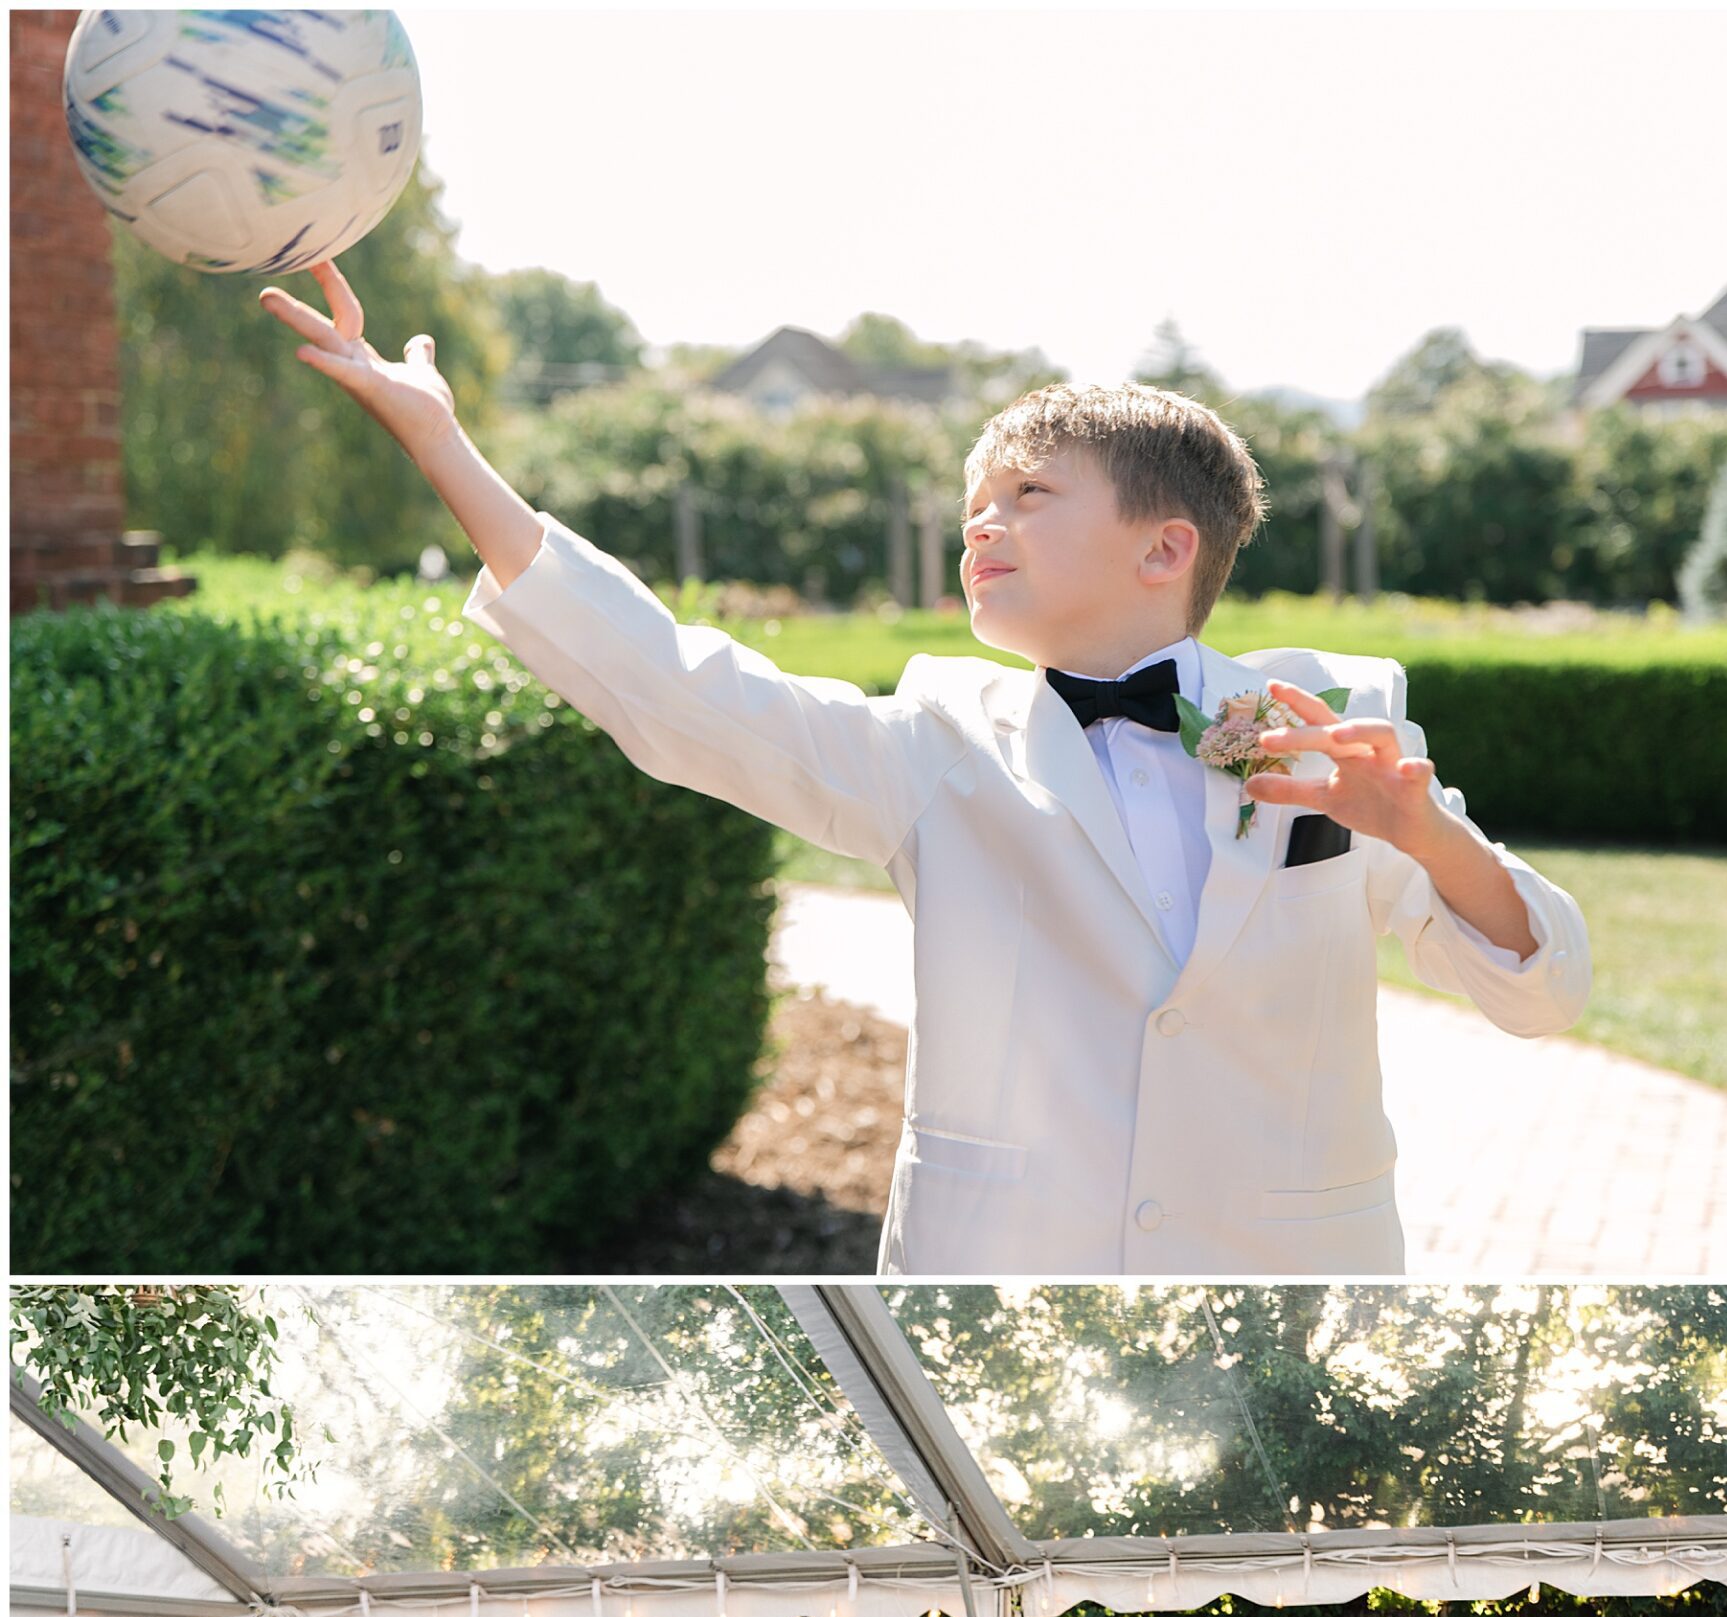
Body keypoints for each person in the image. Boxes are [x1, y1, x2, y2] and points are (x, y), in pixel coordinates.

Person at [258, 263, 1591, 1280]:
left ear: (1163, 547)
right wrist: (444, 445)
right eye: (977, 502)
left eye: (1030, 494)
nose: (982, 522)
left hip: (1292, 1298)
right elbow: (680, 692)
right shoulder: (935, 743)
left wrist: (1422, 835)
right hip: (1003, 1300)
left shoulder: (1340, 720)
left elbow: (1546, 992)